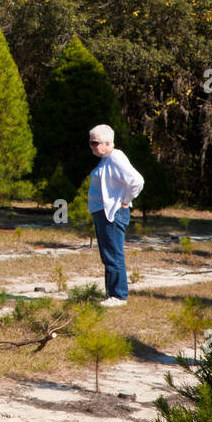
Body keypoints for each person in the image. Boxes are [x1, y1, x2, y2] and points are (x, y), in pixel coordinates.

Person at [87, 125, 143, 306]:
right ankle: (112, 293)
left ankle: (118, 296)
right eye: (90, 142)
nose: (91, 146)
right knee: (108, 254)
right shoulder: (106, 159)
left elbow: (137, 181)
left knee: (113, 254)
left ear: (107, 143)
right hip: (102, 213)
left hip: (112, 213)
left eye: (94, 143)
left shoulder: (115, 157)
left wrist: (125, 200)